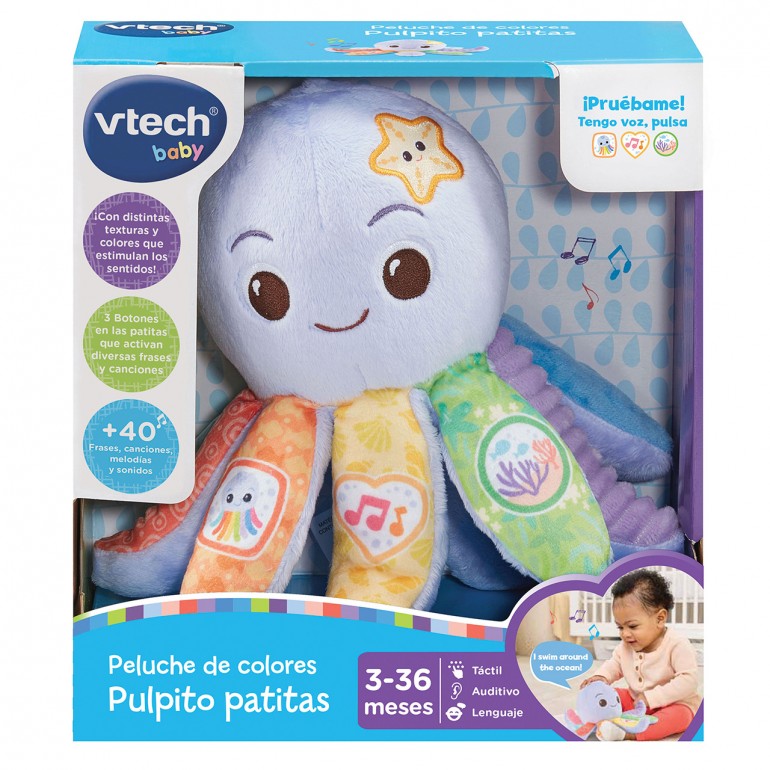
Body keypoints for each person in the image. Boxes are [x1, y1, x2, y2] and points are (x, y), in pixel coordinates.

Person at [580, 569, 700, 741]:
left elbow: (689, 681)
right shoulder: (626, 647)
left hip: (676, 703)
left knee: (679, 717)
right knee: (608, 696)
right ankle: (597, 720)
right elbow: (614, 664)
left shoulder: (677, 644)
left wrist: (653, 697)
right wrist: (601, 677)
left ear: (660, 619)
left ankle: (627, 732)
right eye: (620, 627)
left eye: (632, 626)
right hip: (637, 700)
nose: (625, 634)